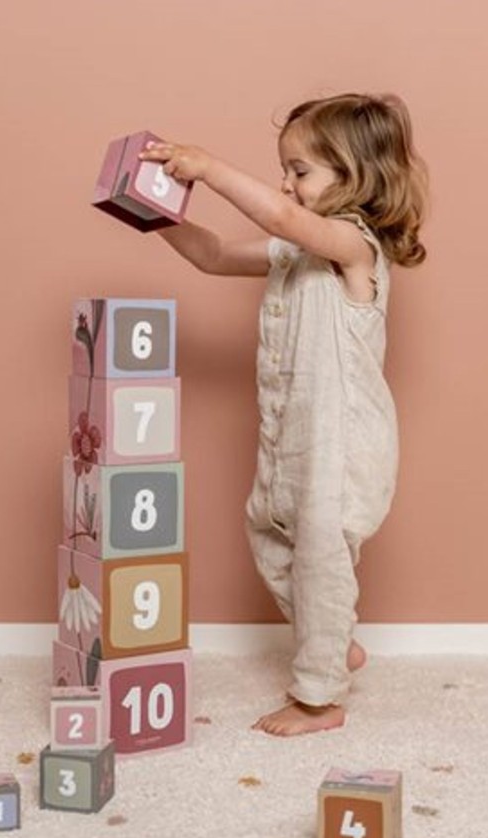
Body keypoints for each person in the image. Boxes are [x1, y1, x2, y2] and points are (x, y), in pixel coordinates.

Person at [138, 92, 428, 736]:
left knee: (321, 557)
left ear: (354, 179)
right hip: (291, 438)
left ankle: (319, 697)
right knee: (268, 536)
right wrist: (158, 214)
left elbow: (285, 221)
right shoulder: (293, 252)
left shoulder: (354, 247)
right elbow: (212, 256)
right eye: (286, 171)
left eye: (300, 172)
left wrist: (209, 168)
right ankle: (333, 640)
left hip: (341, 444)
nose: (286, 184)